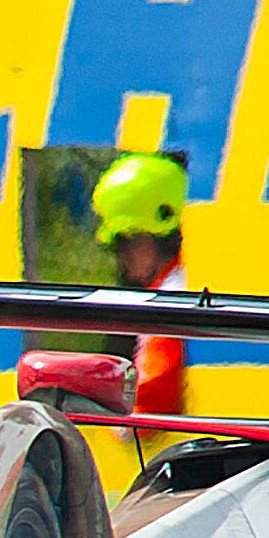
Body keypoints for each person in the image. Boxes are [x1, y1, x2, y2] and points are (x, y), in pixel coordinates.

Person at [91, 148, 188, 417]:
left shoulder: (171, 301)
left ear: (159, 235)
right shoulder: (174, 288)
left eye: (126, 240)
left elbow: (145, 411)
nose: (120, 255)